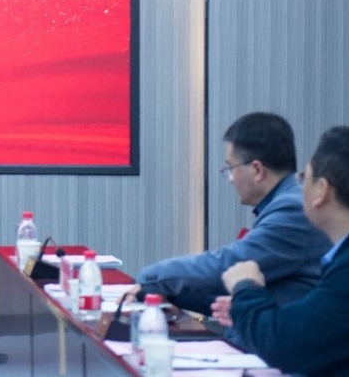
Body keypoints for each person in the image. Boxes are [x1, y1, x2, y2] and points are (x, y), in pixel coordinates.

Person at [214, 126, 349, 376]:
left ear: (322, 190)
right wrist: (250, 312)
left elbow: (286, 346)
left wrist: (246, 287)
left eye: (303, 179)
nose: (300, 188)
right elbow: (316, 327)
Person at [134, 112, 331, 345]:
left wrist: (150, 279)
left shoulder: (293, 210)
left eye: (230, 168)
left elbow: (228, 264)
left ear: (257, 170)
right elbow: (230, 291)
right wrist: (167, 293)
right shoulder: (282, 204)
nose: (230, 179)